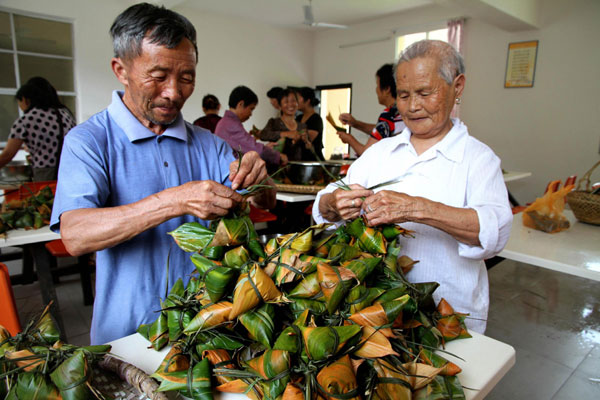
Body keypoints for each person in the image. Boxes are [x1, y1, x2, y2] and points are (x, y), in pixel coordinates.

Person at [49, 3, 274, 345]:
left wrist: (260, 180)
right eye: (158, 76)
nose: (173, 92)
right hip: (128, 334)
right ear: (120, 70)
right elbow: (76, 235)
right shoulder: (88, 141)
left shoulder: (208, 145)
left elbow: (262, 200)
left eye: (186, 79)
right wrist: (173, 200)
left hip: (207, 326)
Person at [313, 40, 512, 334]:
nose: (413, 106)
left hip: (451, 318)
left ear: (457, 87)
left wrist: (416, 208)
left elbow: (495, 232)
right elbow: (324, 204)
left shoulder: (478, 159)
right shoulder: (380, 153)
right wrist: (333, 203)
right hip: (378, 318)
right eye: (404, 95)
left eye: (424, 93)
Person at [0, 77, 76, 181]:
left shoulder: (26, 120)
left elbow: (8, 154)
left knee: (46, 196)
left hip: (46, 174)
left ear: (26, 100)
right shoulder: (66, 114)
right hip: (71, 170)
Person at [337, 63, 405, 156]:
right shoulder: (401, 111)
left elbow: (367, 153)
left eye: (377, 85)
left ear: (387, 89)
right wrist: (355, 123)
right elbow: (382, 131)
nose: (376, 90)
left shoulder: (389, 114)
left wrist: (349, 139)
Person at [214, 85, 287, 168]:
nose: (251, 114)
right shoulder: (229, 125)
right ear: (241, 104)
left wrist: (265, 148)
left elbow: (247, 147)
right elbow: (255, 150)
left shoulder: (228, 122)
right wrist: (278, 156)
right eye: (251, 109)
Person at [259, 88, 311, 161]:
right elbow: (263, 135)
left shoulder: (302, 126)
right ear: (280, 106)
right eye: (286, 102)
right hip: (277, 166)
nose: (290, 104)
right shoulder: (274, 122)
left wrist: (306, 142)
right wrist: (286, 134)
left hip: (297, 167)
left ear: (297, 103)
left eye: (293, 101)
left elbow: (309, 149)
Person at [296, 86, 324, 161]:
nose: (296, 102)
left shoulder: (316, 119)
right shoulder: (299, 118)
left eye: (298, 98)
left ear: (307, 100)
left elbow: (307, 139)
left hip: (313, 161)